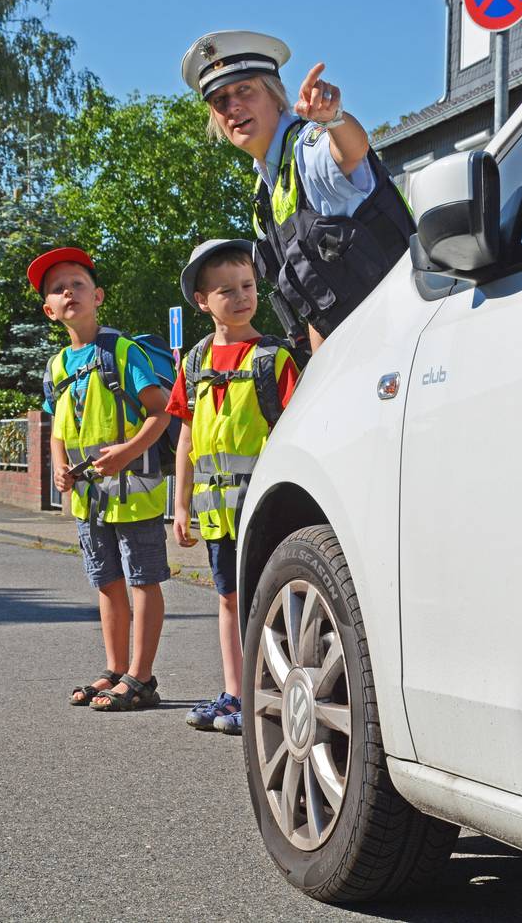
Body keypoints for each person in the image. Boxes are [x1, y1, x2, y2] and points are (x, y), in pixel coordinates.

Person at [181, 31, 415, 353]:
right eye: (220, 101)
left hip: (407, 336)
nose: (233, 106)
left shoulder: (308, 147)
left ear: (276, 96)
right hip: (360, 356)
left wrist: (334, 119)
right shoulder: (264, 194)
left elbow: (351, 152)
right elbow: (318, 305)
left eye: (244, 90)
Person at [28, 246, 171, 712]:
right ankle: (114, 669)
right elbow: (56, 427)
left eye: (78, 283)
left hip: (135, 494)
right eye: (57, 289)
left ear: (98, 296)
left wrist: (128, 451)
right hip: (90, 501)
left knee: (142, 581)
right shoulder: (55, 367)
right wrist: (57, 467)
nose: (68, 291)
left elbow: (160, 411)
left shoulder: (120, 351)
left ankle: (141, 677)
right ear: (49, 311)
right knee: (107, 581)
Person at [167, 238, 299, 735]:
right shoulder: (195, 362)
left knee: (268, 600)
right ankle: (235, 693)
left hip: (264, 511)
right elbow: (185, 437)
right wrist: (179, 506)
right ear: (202, 301)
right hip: (218, 514)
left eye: (247, 286)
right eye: (227, 290)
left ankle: (270, 695)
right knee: (228, 600)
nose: (242, 297)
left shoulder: (273, 359)